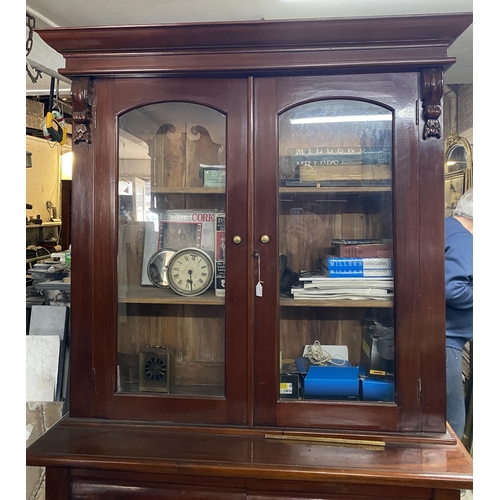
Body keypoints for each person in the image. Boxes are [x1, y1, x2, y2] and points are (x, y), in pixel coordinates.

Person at [444, 188, 473, 440]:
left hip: (441, 336)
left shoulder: (446, 226)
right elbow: (452, 288)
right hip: (447, 340)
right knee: (453, 420)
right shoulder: (465, 239)